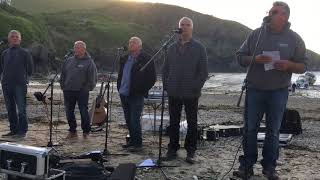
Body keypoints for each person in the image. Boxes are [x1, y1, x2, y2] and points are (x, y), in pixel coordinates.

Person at [233, 2, 307, 179]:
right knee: (250, 129)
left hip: (278, 91)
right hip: (254, 89)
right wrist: (256, 59)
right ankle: (247, 166)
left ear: (285, 16)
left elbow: (303, 66)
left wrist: (289, 64)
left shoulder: (294, 38)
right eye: (272, 12)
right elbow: (240, 57)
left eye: (277, 12)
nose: (273, 14)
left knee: (273, 131)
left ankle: (269, 167)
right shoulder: (256, 34)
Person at [162, 17, 208, 164]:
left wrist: (196, 86)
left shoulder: (199, 48)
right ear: (179, 27)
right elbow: (165, 69)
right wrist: (167, 85)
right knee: (173, 121)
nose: (185, 27)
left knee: (192, 122)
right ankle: (172, 149)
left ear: (192, 28)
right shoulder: (171, 48)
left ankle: (191, 151)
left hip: (191, 92)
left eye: (188, 25)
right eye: (182, 24)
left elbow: (203, 72)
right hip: (174, 91)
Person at [117, 36, 156, 152]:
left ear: (140, 45)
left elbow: (152, 78)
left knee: (135, 119)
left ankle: (138, 144)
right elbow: (121, 75)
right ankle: (132, 141)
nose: (131, 44)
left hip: (136, 94)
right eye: (130, 42)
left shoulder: (146, 58)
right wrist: (119, 87)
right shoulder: (124, 58)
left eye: (134, 42)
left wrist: (142, 89)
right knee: (128, 119)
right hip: (124, 93)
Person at [60, 41, 97, 139]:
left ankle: (86, 130)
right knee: (69, 111)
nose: (76, 49)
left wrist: (87, 88)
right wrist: (63, 85)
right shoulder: (68, 60)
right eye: (75, 47)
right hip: (68, 90)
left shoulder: (89, 62)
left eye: (78, 48)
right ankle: (72, 130)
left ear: (84, 49)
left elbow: (93, 78)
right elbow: (63, 74)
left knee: (83, 111)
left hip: (82, 91)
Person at [0, 30, 33, 138]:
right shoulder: (4, 53)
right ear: (9, 39)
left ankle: (22, 131)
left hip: (20, 84)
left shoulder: (25, 53)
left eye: (16, 37)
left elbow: (30, 69)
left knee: (21, 109)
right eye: (12, 37)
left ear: (20, 39)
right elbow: (2, 69)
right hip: (6, 84)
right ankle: (13, 130)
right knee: (10, 109)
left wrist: (23, 78)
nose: (14, 38)